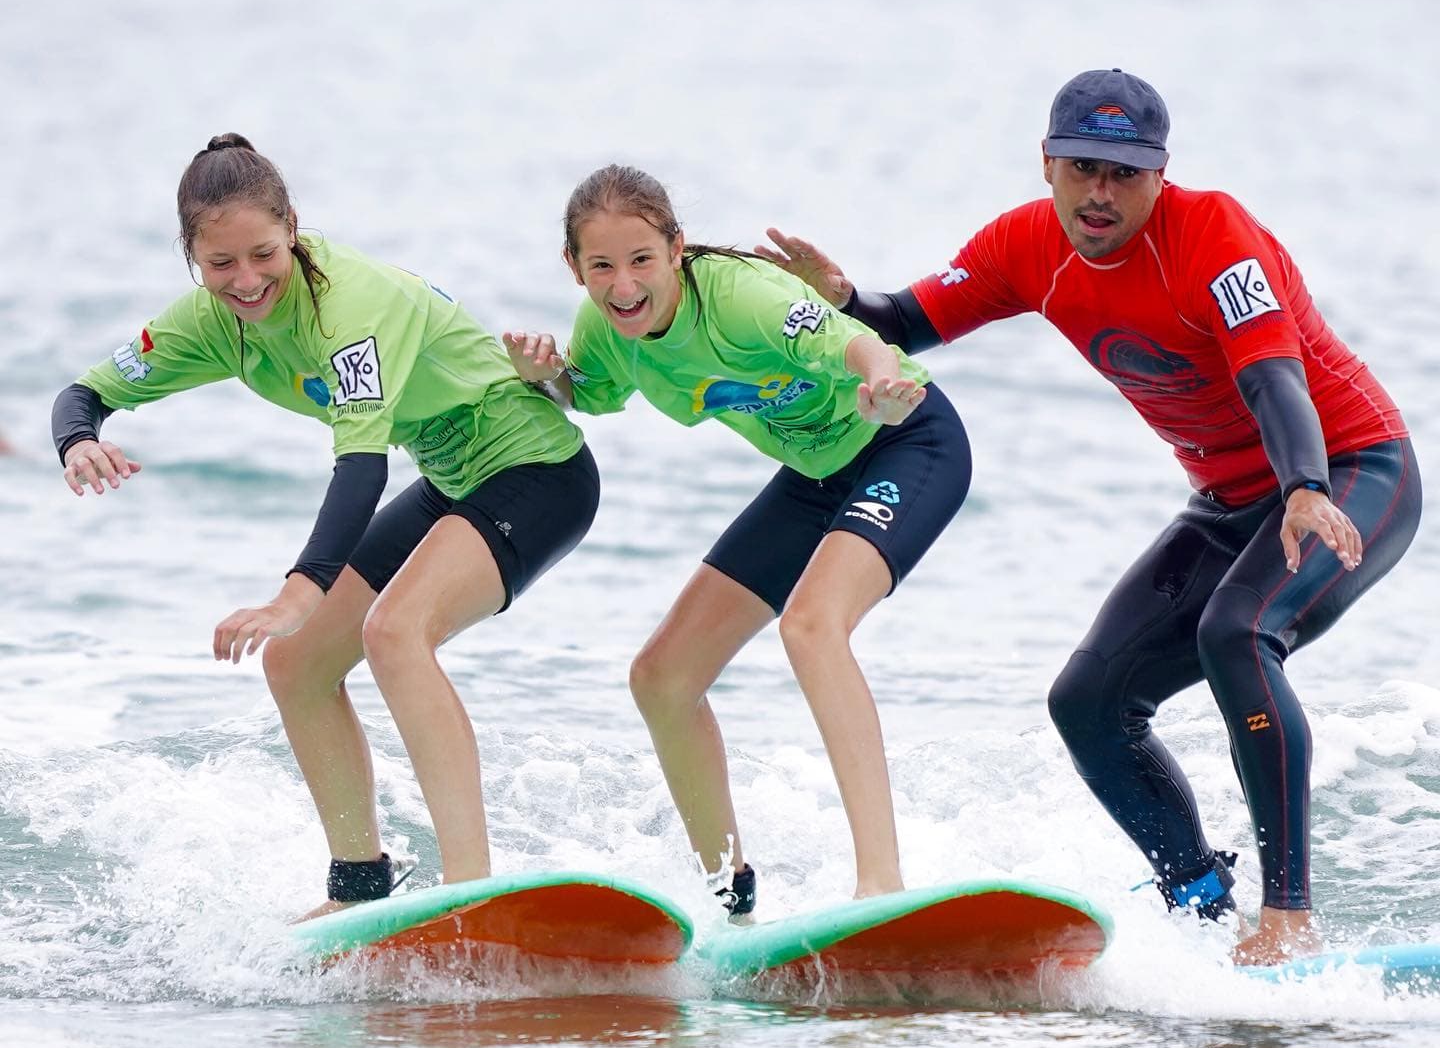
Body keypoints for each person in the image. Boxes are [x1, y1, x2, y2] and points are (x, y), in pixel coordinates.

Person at [757, 68, 1421, 965]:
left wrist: (1304, 485)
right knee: (1089, 703)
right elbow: (907, 321)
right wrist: (841, 300)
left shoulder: (1213, 235)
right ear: (1047, 164)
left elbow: (1274, 378)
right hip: (1229, 499)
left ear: (1160, 175)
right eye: (1081, 169)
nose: (1099, 194)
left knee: (1238, 633)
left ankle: (1289, 920)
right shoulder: (1026, 245)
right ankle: (1202, 905)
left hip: (1347, 473)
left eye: (1123, 174)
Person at [52, 134, 600, 914]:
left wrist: (298, 589)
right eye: (220, 264)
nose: (246, 281)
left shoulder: (350, 305)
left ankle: (471, 890)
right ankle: (358, 887)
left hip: (536, 470)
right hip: (451, 477)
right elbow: (85, 393)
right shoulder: (210, 322)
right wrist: (78, 440)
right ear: (192, 256)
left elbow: (362, 466)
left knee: (394, 632)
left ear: (293, 229)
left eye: (263, 255)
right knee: (297, 662)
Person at [503, 165, 972, 915]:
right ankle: (729, 898)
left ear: (676, 248)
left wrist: (884, 388)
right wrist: (542, 376)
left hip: (905, 440)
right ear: (574, 267)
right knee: (662, 677)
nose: (624, 285)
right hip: (815, 473)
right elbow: (586, 391)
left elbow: (858, 345)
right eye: (602, 266)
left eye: (641, 260)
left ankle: (881, 886)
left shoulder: (743, 298)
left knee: (812, 627)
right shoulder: (605, 329)